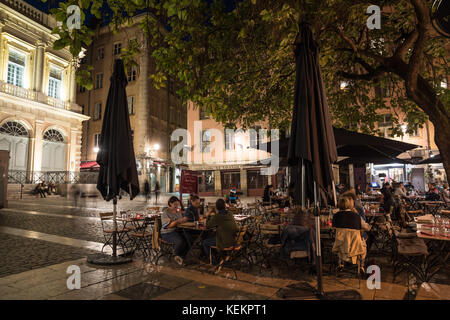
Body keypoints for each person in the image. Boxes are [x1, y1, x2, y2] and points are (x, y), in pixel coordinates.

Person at [202, 199, 239, 265]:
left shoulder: (217, 216)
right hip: (234, 240)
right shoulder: (229, 213)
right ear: (225, 206)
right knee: (212, 236)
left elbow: (208, 225)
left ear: (216, 207)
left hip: (225, 242)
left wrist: (208, 215)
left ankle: (214, 261)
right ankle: (219, 256)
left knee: (205, 242)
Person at [160, 196, 189, 266]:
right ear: (170, 203)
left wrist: (184, 220)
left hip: (176, 231)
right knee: (180, 241)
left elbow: (180, 221)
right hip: (167, 233)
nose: (176, 206)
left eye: (177, 204)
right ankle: (175, 254)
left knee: (189, 239)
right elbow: (166, 226)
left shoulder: (177, 212)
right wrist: (177, 221)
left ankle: (181, 257)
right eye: (175, 205)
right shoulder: (166, 213)